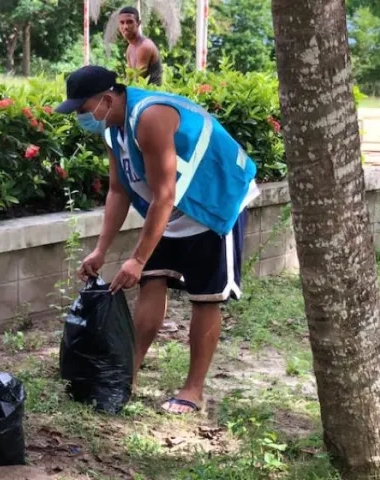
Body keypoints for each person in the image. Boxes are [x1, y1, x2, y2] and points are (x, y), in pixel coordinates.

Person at [55, 66, 259, 415]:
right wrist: (102, 250)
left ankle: (193, 390)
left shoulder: (149, 116)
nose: (80, 117)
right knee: (151, 282)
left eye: (82, 108)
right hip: (169, 207)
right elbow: (118, 190)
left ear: (106, 99)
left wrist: (136, 257)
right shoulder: (113, 130)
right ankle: (127, 372)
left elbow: (164, 195)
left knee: (204, 297)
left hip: (213, 199)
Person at [117, 6, 163, 86]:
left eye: (129, 22)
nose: (125, 27)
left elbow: (137, 81)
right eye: (122, 23)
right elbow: (129, 78)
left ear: (138, 23)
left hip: (152, 95)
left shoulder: (145, 46)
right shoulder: (130, 48)